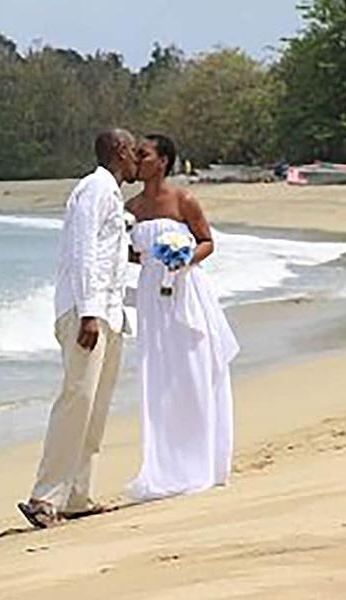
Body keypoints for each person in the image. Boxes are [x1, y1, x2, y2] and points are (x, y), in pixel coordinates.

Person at [18, 129, 138, 528]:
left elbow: (110, 258)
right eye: (133, 151)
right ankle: (44, 497)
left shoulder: (112, 195)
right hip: (88, 312)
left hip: (109, 313)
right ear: (120, 151)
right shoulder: (95, 188)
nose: (137, 159)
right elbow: (83, 252)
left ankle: (76, 495)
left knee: (95, 406)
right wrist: (89, 312)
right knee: (77, 399)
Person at [125, 134, 239, 502]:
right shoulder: (131, 207)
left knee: (192, 368)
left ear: (162, 161)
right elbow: (128, 252)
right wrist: (149, 260)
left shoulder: (183, 199)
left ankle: (202, 461)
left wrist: (183, 258)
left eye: (143, 154)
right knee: (158, 374)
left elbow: (207, 241)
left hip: (186, 289)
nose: (136, 159)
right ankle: (165, 465)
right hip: (151, 295)